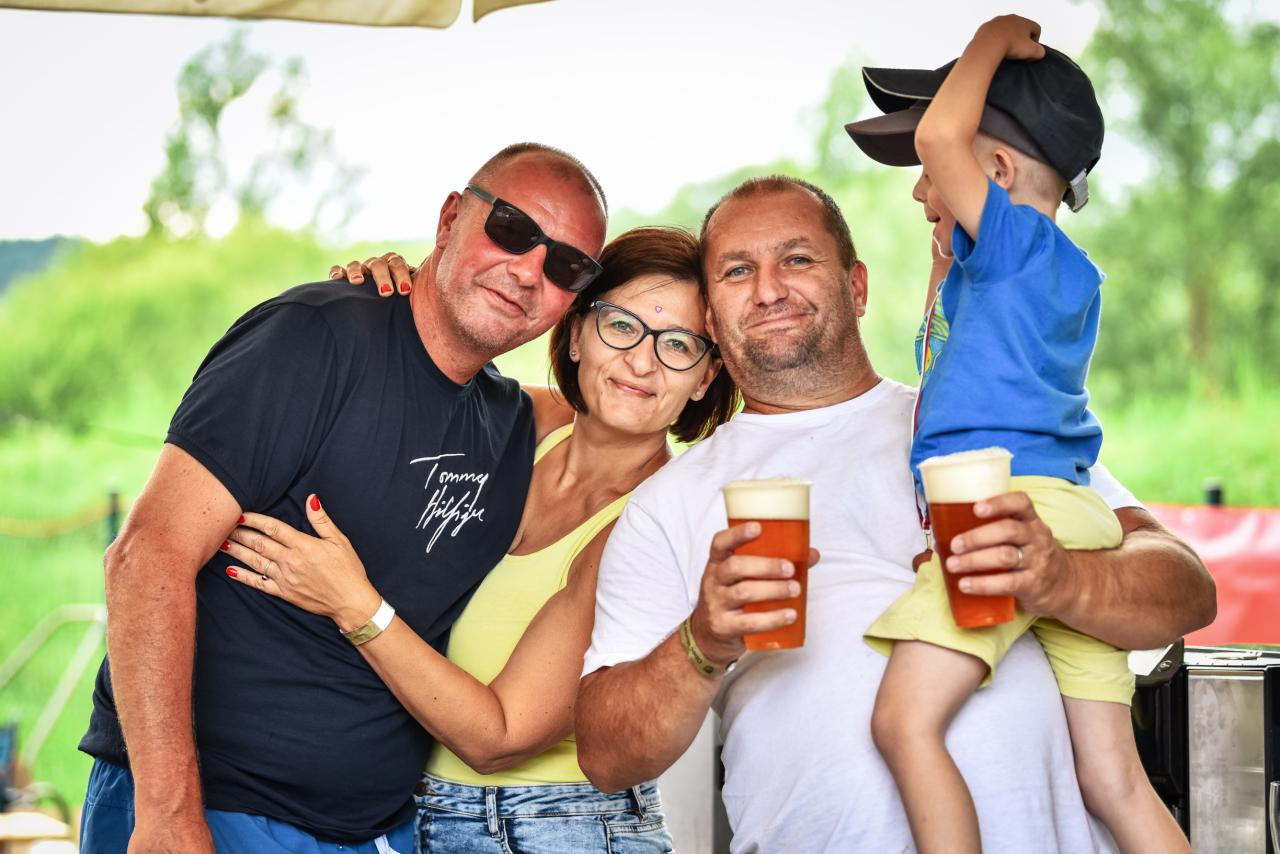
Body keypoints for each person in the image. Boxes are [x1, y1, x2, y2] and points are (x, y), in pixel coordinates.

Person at [573, 174, 1216, 852]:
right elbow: (607, 757)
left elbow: (1187, 589)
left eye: (797, 258)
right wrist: (703, 642)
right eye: (737, 271)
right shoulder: (668, 502)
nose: (768, 289)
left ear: (857, 286)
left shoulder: (974, 424)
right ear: (710, 319)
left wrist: (1062, 580)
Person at [76, 143, 607, 854]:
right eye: (512, 229)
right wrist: (169, 814)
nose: (529, 270)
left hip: (374, 832)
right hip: (209, 811)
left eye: (567, 266)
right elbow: (146, 556)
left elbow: (633, 399)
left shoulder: (515, 426)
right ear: (451, 217)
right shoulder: (314, 337)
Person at [219, 226, 736, 853]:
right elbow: (438, 363)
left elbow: (500, 738)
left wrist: (353, 604)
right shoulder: (523, 423)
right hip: (426, 816)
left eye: (679, 344)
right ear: (576, 334)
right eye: (621, 325)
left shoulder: (652, 522)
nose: (642, 361)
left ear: (705, 377)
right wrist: (402, 294)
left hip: (560, 828)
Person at [844, 17, 1192, 854]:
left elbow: (939, 137)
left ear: (994, 172)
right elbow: (947, 361)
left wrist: (993, 39)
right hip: (1071, 512)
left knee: (903, 724)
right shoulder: (1046, 272)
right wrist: (944, 265)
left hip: (1008, 506)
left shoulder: (1017, 244)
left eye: (935, 179)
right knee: (1113, 780)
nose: (922, 191)